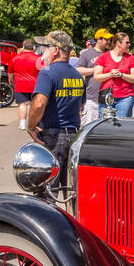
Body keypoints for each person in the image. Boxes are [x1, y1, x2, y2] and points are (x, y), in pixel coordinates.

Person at [27, 31, 86, 194]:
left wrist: (30, 126)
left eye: (44, 47)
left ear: (55, 50)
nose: (42, 51)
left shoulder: (47, 72)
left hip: (52, 137)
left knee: (46, 193)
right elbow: (80, 107)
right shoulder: (78, 76)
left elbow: (39, 104)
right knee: (70, 192)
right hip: (73, 137)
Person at [94, 32, 134, 118]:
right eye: (127, 42)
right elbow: (96, 77)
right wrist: (110, 75)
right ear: (118, 43)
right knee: (105, 125)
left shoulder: (131, 59)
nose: (129, 44)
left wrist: (121, 75)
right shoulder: (103, 57)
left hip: (125, 97)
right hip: (107, 97)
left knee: (122, 125)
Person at [77, 30, 111, 126]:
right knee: (89, 127)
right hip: (92, 98)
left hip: (108, 99)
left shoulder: (111, 54)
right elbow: (78, 70)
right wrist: (94, 70)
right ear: (99, 40)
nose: (109, 41)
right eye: (106, 39)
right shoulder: (87, 54)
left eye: (109, 39)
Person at [9, 39, 42, 131]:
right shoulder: (38, 58)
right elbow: (43, 72)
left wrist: (11, 80)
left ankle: (22, 124)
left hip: (20, 85)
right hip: (35, 85)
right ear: (34, 47)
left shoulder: (15, 58)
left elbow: (10, 72)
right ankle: (33, 123)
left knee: (22, 104)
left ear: (23, 47)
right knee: (34, 105)